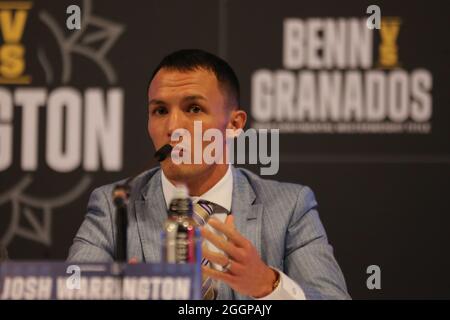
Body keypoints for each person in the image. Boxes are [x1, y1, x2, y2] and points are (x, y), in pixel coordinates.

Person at [68, 49, 350, 300]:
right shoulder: (113, 205)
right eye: (160, 110)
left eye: (194, 109)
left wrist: (269, 286)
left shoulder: (290, 207)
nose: (174, 126)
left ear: (234, 124)